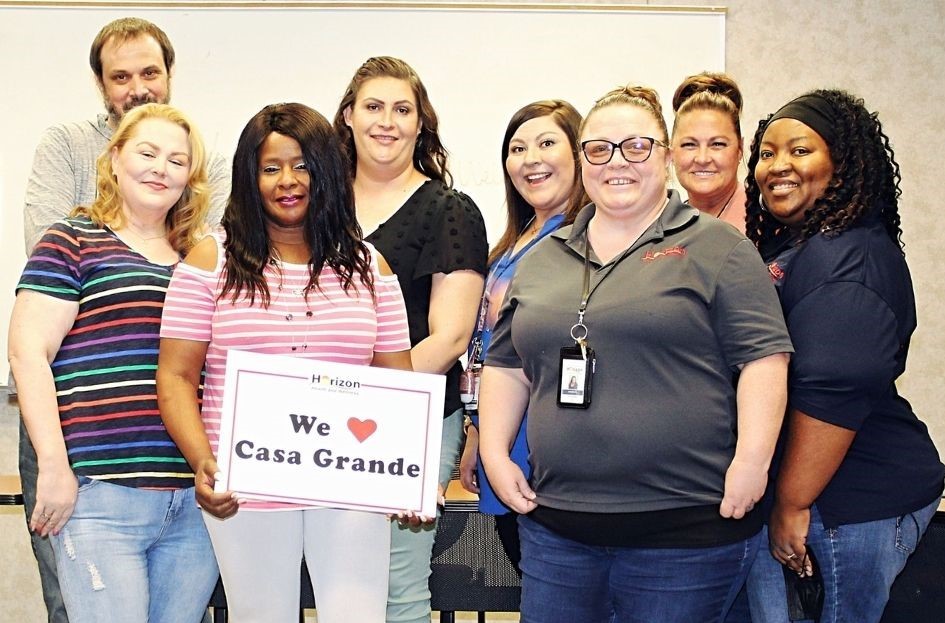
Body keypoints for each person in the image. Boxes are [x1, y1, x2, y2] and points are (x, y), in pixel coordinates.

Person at [477, 85, 794, 623]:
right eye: (598, 149)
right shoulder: (542, 258)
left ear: (666, 157)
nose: (616, 162)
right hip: (558, 531)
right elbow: (507, 364)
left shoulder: (719, 248)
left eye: (636, 147)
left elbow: (764, 361)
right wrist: (494, 452)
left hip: (683, 535)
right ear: (582, 162)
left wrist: (753, 461)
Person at [157, 102, 413, 622]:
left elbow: (397, 385)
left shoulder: (371, 267)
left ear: (327, 173)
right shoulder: (210, 261)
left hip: (351, 483)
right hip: (245, 488)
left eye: (302, 165)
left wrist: (406, 471)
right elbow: (176, 376)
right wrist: (203, 460)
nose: (287, 181)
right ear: (249, 178)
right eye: (270, 168)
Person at [18, 18, 229, 621]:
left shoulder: (204, 255)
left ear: (194, 175)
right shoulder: (73, 237)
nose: (161, 168)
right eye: (147, 153)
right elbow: (29, 351)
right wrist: (55, 469)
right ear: (114, 157)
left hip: (191, 500)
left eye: (177, 160)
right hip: (101, 493)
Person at [743, 89, 945, 623]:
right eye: (767, 153)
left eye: (800, 151)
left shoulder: (849, 259)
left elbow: (832, 395)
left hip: (849, 506)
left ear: (844, 161)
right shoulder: (802, 246)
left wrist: (791, 504)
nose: (778, 166)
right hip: (814, 498)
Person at [332, 56, 488, 623]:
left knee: (399, 584)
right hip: (318, 423)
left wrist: (359, 397)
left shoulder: (450, 210)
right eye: (373, 107)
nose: (387, 121)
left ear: (422, 123)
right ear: (348, 116)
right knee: (337, 582)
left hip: (414, 416)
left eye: (403, 109)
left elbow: (449, 336)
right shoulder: (314, 208)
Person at [457, 99, 585, 570]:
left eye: (547, 143)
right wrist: (477, 433)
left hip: (548, 442)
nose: (530, 158)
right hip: (501, 436)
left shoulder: (585, 237)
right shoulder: (518, 239)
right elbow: (487, 344)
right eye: (517, 148)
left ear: (579, 152)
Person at [671, 71, 747, 233]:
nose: (702, 158)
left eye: (717, 144)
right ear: (671, 152)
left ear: (740, 149)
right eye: (689, 144)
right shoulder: (664, 227)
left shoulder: (768, 223)